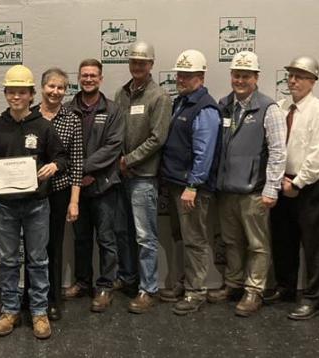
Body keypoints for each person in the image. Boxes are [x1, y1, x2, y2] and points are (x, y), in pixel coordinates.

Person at [0, 65, 67, 340]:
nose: (16, 97)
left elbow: (62, 158)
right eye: (11, 92)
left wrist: (53, 166)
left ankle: (39, 312)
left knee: (38, 260)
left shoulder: (43, 126)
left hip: (37, 204)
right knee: (7, 260)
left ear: (31, 95)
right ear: (6, 94)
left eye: (22, 92)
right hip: (5, 205)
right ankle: (9, 310)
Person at [212, 51, 287, 317]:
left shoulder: (269, 108)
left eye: (246, 75)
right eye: (236, 75)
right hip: (227, 190)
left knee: (257, 244)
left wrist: (271, 187)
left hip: (254, 191)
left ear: (256, 77)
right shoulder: (223, 105)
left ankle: (254, 290)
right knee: (231, 242)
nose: (240, 80)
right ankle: (233, 284)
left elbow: (278, 152)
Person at [266, 56, 319, 321]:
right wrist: (280, 181)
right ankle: (285, 287)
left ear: (313, 81)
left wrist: (297, 183)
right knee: (284, 239)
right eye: (291, 75)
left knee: (313, 243)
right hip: (282, 182)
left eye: (300, 76)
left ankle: (314, 297)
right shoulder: (282, 107)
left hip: (308, 185)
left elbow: (318, 155)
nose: (293, 81)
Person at [159, 49, 221, 316]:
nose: (181, 79)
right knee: (180, 236)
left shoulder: (205, 108)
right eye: (180, 74)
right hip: (175, 183)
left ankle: (196, 291)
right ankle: (183, 283)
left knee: (194, 239)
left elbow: (203, 153)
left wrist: (193, 186)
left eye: (188, 75)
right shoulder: (181, 103)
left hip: (190, 188)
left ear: (201, 76)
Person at [113, 41, 174, 313]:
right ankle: (128, 278)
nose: (137, 66)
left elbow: (158, 138)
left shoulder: (159, 97)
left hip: (143, 178)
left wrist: (129, 160)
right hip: (121, 176)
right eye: (134, 62)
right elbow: (115, 131)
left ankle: (148, 289)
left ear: (151, 65)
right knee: (123, 232)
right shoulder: (121, 94)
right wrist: (117, 160)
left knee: (144, 236)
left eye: (142, 62)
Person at [63, 59, 127, 312]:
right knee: (80, 239)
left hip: (104, 185)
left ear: (101, 78)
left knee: (106, 239)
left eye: (93, 75)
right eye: (84, 75)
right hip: (77, 188)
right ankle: (82, 282)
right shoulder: (67, 109)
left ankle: (105, 286)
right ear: (79, 78)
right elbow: (62, 147)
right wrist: (78, 175)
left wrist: (84, 170)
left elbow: (113, 147)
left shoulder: (113, 110)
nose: (88, 79)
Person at [32, 67, 83, 320]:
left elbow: (76, 163)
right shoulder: (29, 116)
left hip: (59, 192)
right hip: (30, 192)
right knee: (31, 246)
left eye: (61, 87)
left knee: (53, 245)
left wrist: (74, 201)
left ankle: (53, 298)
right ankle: (32, 295)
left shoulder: (72, 119)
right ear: (42, 88)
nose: (55, 91)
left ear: (66, 91)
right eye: (51, 86)